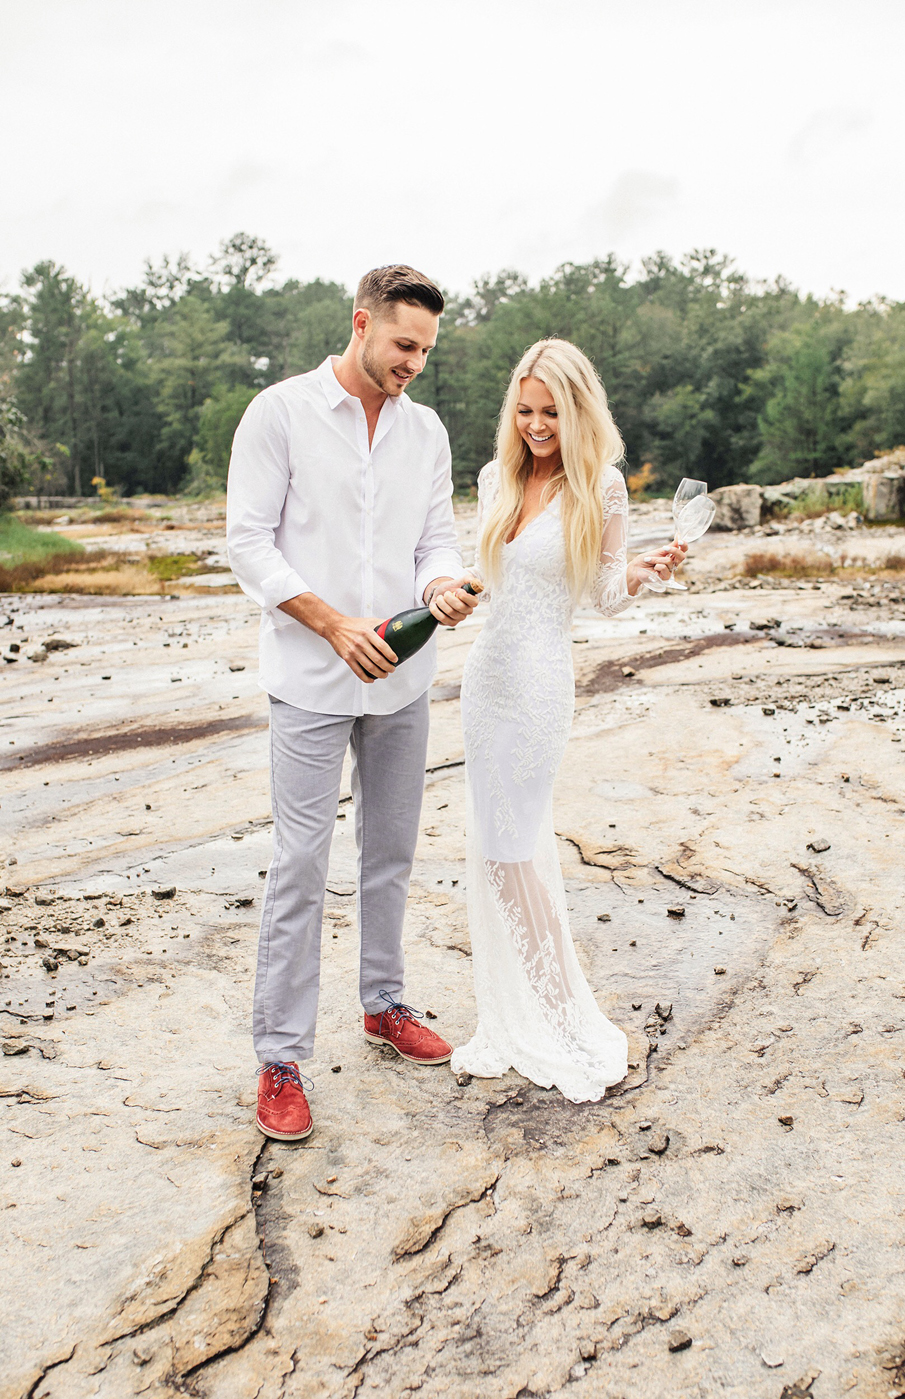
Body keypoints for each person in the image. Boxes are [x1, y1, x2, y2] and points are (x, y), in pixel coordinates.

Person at [227, 265, 479, 1141]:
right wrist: (333, 625)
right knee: (300, 863)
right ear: (362, 323)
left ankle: (383, 1004)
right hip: (308, 678)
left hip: (403, 681)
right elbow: (247, 542)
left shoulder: (427, 431)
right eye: (404, 344)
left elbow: (434, 539)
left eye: (425, 351)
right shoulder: (280, 413)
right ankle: (280, 1056)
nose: (414, 362)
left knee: (390, 852)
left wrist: (441, 585)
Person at [450, 339, 685, 1103]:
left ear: (577, 410)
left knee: (519, 845)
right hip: (484, 680)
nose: (535, 425)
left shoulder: (602, 488)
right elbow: (488, 579)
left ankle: (557, 1010)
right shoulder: (496, 478)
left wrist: (641, 573)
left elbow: (606, 594)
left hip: (543, 683)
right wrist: (449, 593)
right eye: (523, 411)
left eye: (550, 411)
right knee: (490, 848)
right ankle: (510, 1011)